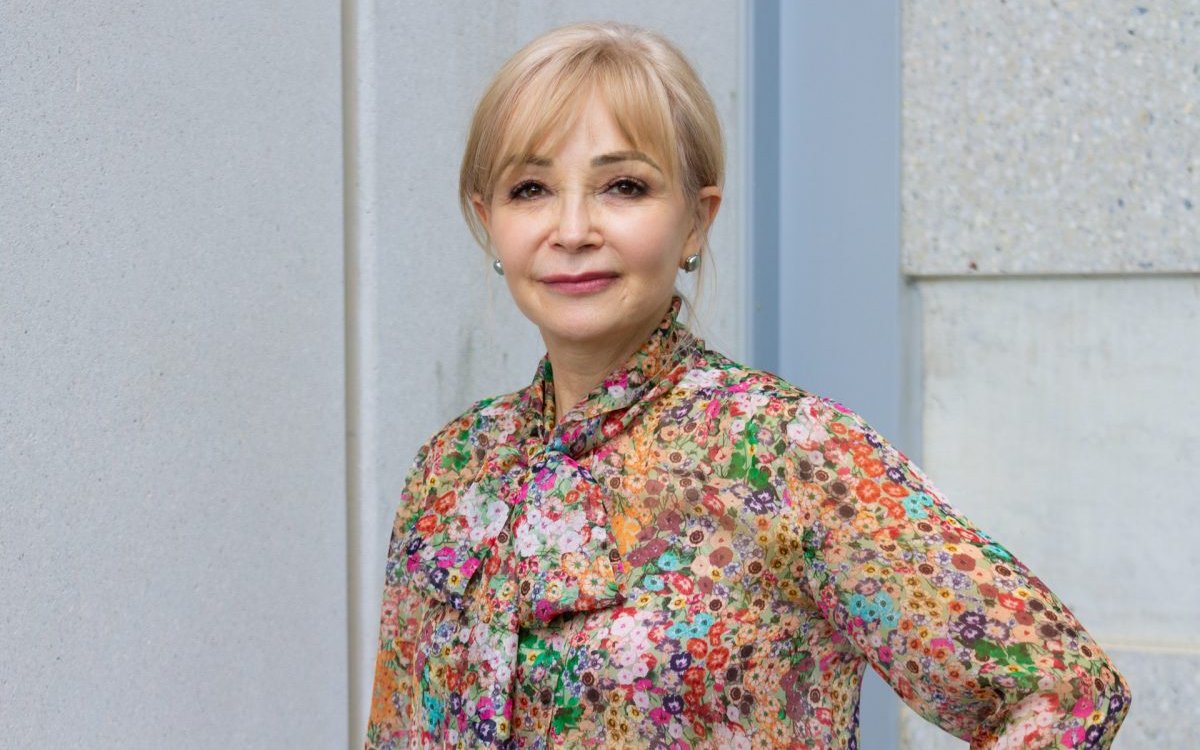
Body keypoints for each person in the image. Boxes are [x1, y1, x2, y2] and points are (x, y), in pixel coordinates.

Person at [365, 21, 1130, 750]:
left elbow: (1062, 694)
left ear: (696, 222)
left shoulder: (788, 454)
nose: (571, 229)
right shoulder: (453, 469)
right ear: (487, 219)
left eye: (623, 186)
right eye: (530, 189)